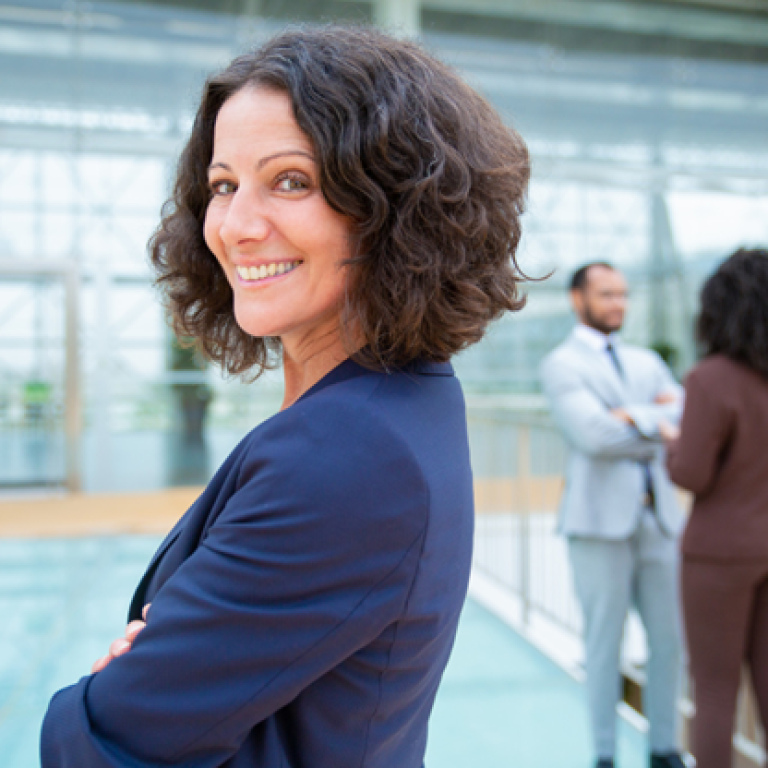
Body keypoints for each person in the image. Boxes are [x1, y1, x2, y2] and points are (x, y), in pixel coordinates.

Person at [40, 25, 530, 768]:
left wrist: (102, 694)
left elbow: (107, 740)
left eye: (291, 180)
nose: (236, 226)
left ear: (394, 205)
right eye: (223, 185)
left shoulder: (350, 452)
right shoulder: (402, 403)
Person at [540, 262, 686, 768]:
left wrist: (631, 417)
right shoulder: (561, 363)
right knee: (605, 646)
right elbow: (594, 437)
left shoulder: (645, 360)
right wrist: (656, 421)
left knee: (670, 643)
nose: (618, 304)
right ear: (578, 299)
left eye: (622, 294)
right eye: (606, 294)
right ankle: (605, 754)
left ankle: (664, 749)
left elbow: (686, 413)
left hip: (660, 521)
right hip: (598, 525)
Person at [663, 248, 768, 768]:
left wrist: (671, 441)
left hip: (719, 554)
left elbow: (691, 474)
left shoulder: (711, 379)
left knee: (715, 690)